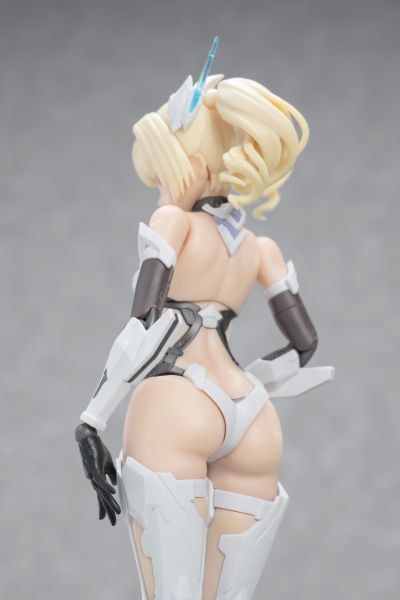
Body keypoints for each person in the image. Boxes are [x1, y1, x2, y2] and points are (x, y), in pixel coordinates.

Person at [75, 41, 332, 600]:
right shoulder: (259, 247)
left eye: (161, 176)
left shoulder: (173, 222)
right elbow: (305, 345)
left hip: (177, 401)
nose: (160, 190)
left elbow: (146, 322)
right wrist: (255, 380)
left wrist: (92, 420)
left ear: (188, 167)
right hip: (252, 412)